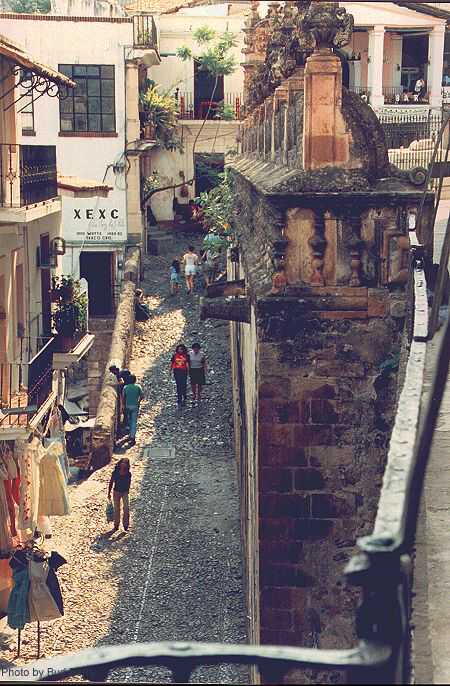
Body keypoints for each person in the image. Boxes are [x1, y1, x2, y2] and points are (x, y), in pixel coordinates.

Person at [108, 458, 131, 532]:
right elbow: (111, 482)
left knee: (126, 508)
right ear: (120, 463)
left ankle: (126, 525)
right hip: (116, 492)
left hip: (125, 492)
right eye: (122, 462)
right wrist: (109, 493)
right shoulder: (115, 472)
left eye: (125, 463)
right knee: (117, 509)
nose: (123, 464)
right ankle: (116, 525)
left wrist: (127, 491)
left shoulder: (128, 474)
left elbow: (129, 483)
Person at [122, 374, 143, 446]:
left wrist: (123, 405)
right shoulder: (138, 387)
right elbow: (142, 396)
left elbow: (123, 397)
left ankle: (129, 434)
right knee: (134, 422)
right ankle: (132, 437)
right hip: (135, 406)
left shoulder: (125, 387)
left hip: (127, 406)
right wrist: (138, 401)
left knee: (129, 420)